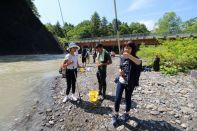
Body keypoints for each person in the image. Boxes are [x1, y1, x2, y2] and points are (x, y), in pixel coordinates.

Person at [112, 42, 142, 126]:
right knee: (117, 99)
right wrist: (119, 71)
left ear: (133, 49)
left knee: (128, 99)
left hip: (130, 83)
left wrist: (129, 56)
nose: (126, 49)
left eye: (129, 48)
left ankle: (127, 113)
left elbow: (139, 62)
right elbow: (120, 66)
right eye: (125, 47)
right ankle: (116, 114)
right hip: (121, 81)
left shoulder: (135, 58)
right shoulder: (122, 58)